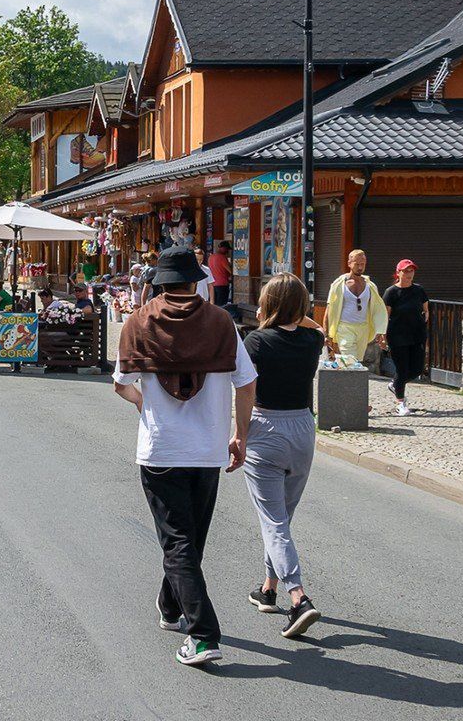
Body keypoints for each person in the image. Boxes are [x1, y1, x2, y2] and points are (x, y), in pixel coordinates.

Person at [113, 244, 256, 668]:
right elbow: (246, 383)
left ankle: (202, 634)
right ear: (196, 281)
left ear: (159, 283)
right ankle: (172, 607)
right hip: (208, 448)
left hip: (161, 447)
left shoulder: (138, 323)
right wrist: (239, 435)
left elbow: (121, 383)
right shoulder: (222, 323)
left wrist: (147, 405)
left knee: (178, 541)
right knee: (189, 540)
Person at [240, 273, 325, 638]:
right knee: (281, 520)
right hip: (303, 430)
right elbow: (312, 323)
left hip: (266, 429)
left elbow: (244, 390)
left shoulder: (256, 341)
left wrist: (239, 436)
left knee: (274, 521)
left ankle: (299, 597)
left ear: (269, 305)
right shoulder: (312, 340)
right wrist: (293, 308)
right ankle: (268, 589)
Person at [323, 249, 387, 366]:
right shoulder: (338, 285)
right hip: (344, 327)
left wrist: (380, 330)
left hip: (363, 328)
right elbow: (329, 309)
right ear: (349, 263)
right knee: (349, 360)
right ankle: (349, 382)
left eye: (362, 264)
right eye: (357, 264)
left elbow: (377, 310)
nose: (360, 267)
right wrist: (326, 334)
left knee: (356, 362)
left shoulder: (370, 286)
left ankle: (347, 383)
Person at [383, 259, 429, 416]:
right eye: (406, 271)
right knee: (402, 370)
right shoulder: (391, 292)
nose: (409, 274)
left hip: (417, 334)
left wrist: (424, 321)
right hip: (397, 336)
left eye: (411, 270)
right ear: (398, 273)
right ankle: (400, 404)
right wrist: (382, 335)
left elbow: (426, 309)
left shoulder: (419, 290)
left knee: (416, 369)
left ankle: (395, 384)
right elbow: (385, 316)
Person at [206, 242, 233, 308]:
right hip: (222, 284)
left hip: (212, 284)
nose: (227, 251)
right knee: (222, 306)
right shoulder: (222, 257)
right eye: (227, 249)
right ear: (223, 248)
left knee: (213, 305)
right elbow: (230, 270)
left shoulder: (211, 257)